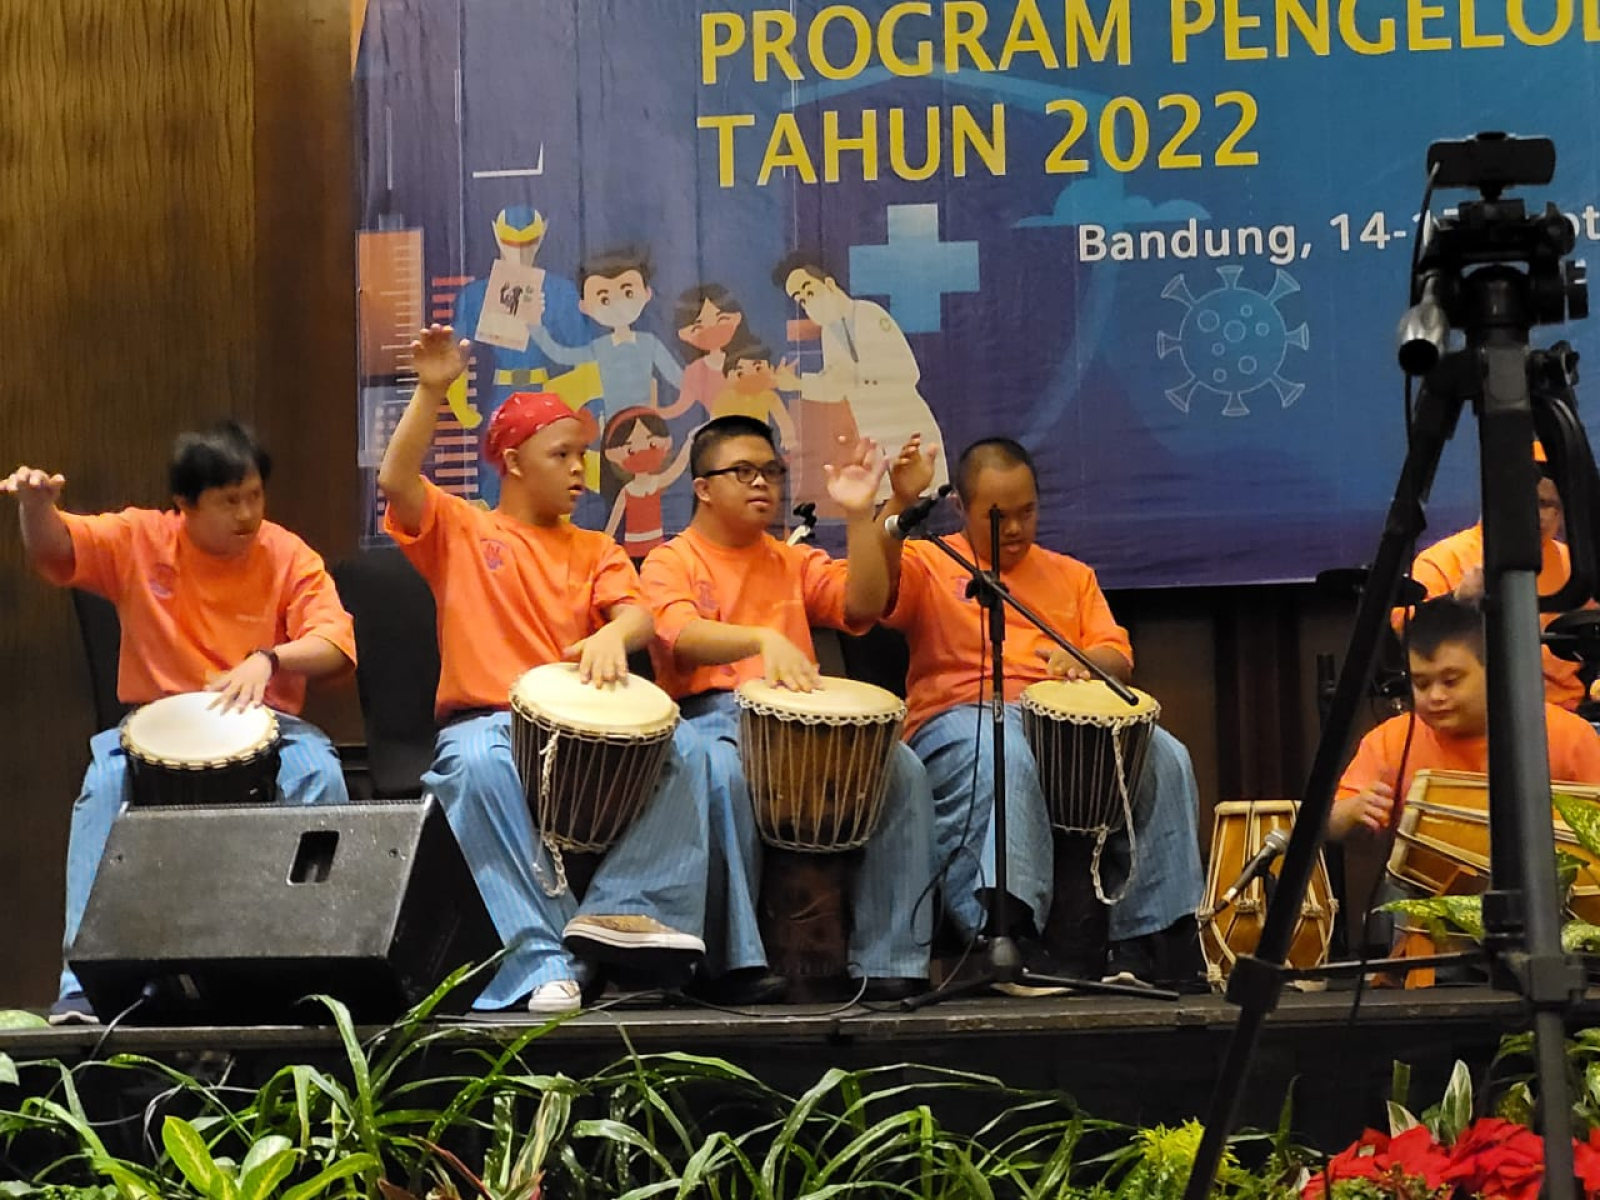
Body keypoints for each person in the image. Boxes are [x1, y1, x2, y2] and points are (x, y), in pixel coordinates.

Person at [377, 325, 710, 1016]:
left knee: (687, 750)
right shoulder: (463, 529)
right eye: (561, 454)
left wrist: (613, 634)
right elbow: (396, 480)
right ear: (513, 462)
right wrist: (433, 390)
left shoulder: (595, 547)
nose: (579, 470)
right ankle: (542, 960)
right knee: (477, 764)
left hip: (581, 728)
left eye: (581, 455)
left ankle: (618, 916)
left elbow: (639, 616)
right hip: (487, 722)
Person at [4, 421, 357, 1023]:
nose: (247, 514)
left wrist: (270, 658)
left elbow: (335, 645)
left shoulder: (288, 553)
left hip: (266, 725)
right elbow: (55, 549)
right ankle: (84, 986)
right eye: (229, 501)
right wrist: (36, 507)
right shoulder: (140, 538)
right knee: (103, 787)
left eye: (255, 495)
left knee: (318, 773)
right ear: (185, 505)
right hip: (155, 727)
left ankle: (314, 972)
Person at [881, 437, 1206, 989]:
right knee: (1009, 749)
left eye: (1027, 512)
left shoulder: (1072, 575)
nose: (1015, 528)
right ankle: (1008, 928)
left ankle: (1152, 936)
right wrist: (895, 508)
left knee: (1166, 754)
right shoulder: (929, 561)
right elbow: (875, 595)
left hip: (1067, 725)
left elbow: (1117, 656)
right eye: (998, 516)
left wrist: (1083, 660)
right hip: (960, 718)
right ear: (960, 508)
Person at [639, 416, 936, 1003]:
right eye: (743, 472)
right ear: (702, 487)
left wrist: (861, 514)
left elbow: (863, 604)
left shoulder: (791, 560)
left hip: (805, 723)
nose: (762, 484)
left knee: (901, 768)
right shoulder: (672, 560)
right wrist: (759, 640)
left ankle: (893, 957)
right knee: (721, 771)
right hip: (711, 718)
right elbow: (678, 634)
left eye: (771, 472)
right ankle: (733, 962)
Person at [1332, 596, 1600, 841]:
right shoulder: (1390, 740)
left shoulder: (1568, 735)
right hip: (1429, 878)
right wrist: (1353, 811)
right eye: (1421, 683)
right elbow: (1330, 823)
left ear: (1496, 672)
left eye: (1451, 681)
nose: (1436, 696)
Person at [1405, 447, 1584, 711]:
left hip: (1570, 709)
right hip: (1479, 714)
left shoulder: (1575, 564)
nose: (1539, 515)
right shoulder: (1440, 560)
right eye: (1531, 502)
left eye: (1550, 505)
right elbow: (1410, 636)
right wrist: (1458, 602)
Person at [772, 250, 949, 501]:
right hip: (873, 434)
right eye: (801, 300)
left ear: (829, 284)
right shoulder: (829, 334)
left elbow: (908, 371)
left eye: (809, 291)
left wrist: (853, 379)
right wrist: (797, 384)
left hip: (906, 424)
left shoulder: (870, 315)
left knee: (928, 498)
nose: (808, 302)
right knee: (886, 510)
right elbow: (835, 387)